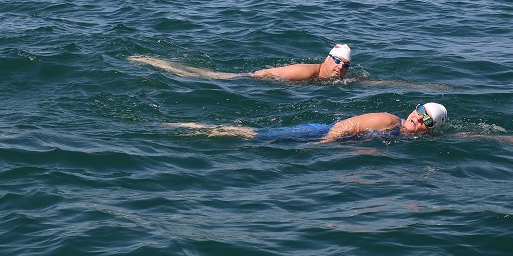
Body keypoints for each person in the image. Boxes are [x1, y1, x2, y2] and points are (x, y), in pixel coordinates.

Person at [167, 102, 449, 144]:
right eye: (418, 109)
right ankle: (190, 128)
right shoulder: (388, 120)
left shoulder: (403, 135)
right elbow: (347, 126)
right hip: (322, 132)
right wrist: (323, 143)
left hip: (332, 138)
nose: (416, 117)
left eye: (425, 118)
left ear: (431, 128)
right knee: (255, 136)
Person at [129, 44, 354, 82]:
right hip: (251, 80)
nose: (340, 67)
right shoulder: (304, 72)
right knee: (201, 76)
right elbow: (265, 75)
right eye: (337, 61)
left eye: (345, 65)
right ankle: (153, 62)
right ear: (327, 58)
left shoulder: (336, 79)